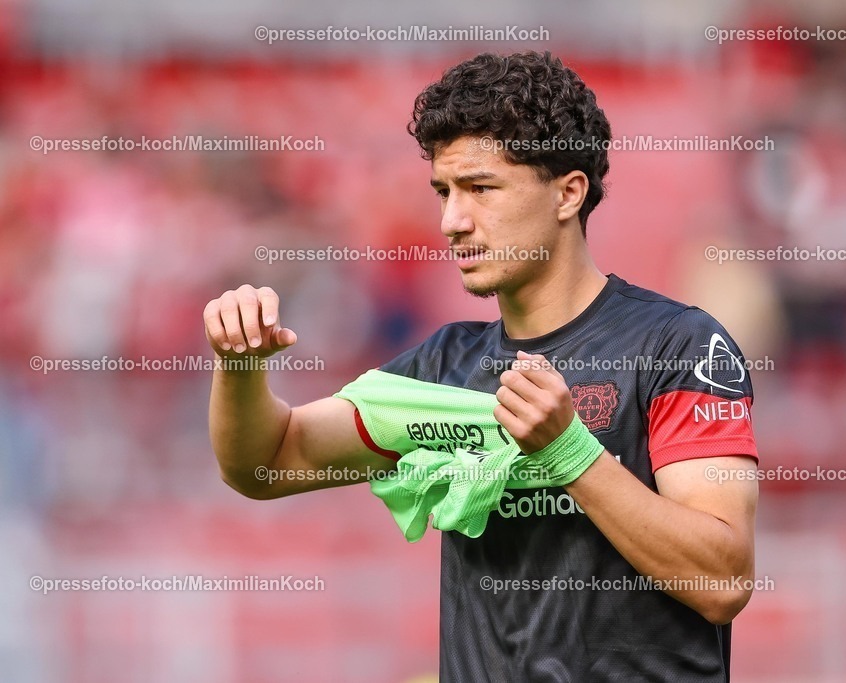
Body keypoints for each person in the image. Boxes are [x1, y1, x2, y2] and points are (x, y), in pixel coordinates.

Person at [205, 51, 759, 682]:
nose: (452, 221)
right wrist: (239, 367)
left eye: (481, 189)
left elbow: (722, 581)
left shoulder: (677, 346)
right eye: (444, 192)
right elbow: (267, 463)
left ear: (568, 193)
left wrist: (571, 453)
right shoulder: (443, 367)